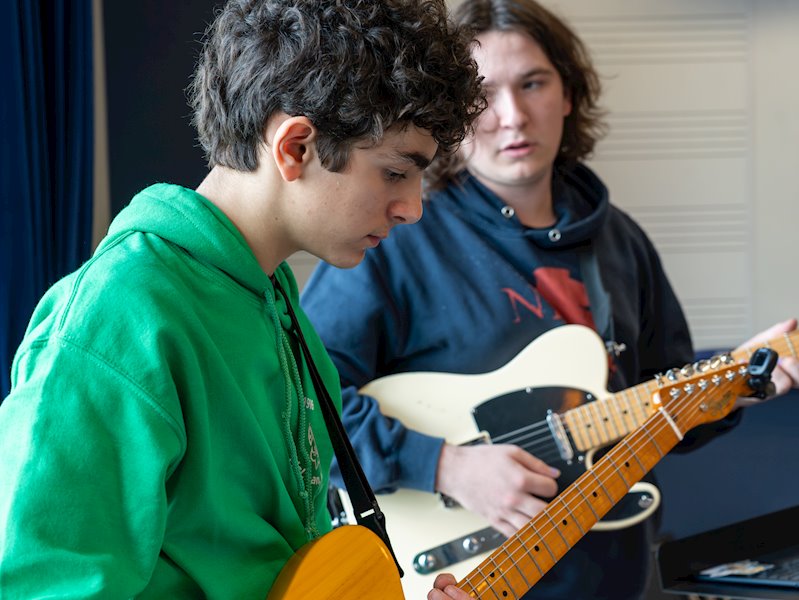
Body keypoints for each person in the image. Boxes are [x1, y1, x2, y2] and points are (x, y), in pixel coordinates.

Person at [300, 1, 799, 599]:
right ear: (452, 112)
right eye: (484, 94)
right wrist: (443, 466)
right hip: (466, 579)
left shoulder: (619, 239)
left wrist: (739, 377)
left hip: (616, 578)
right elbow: (305, 401)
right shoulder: (397, 238)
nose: (513, 116)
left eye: (534, 83)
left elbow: (658, 408)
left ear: (567, 93)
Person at [0, 1, 484, 597]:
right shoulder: (114, 321)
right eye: (395, 172)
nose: (412, 207)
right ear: (296, 147)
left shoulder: (277, 303)